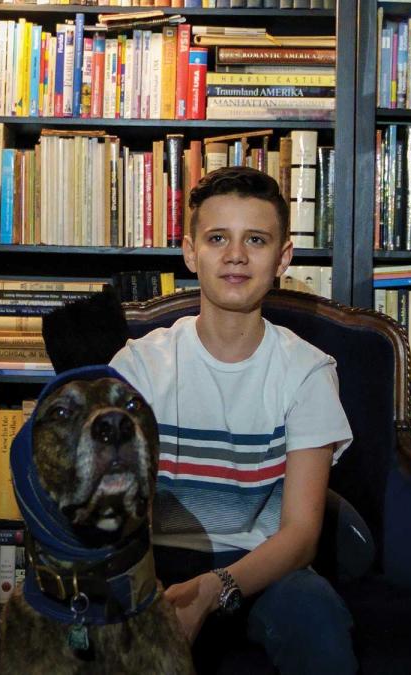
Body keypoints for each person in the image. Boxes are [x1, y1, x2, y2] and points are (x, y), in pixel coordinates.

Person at [108, 166, 357, 674]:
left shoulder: (307, 372)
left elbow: (301, 535)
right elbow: (107, 505)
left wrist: (215, 589)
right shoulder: (138, 365)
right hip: (153, 558)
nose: (236, 255)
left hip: (262, 567)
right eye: (217, 237)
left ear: (283, 257)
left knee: (317, 619)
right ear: (189, 251)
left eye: (257, 239)